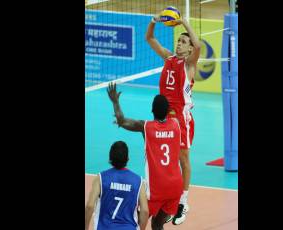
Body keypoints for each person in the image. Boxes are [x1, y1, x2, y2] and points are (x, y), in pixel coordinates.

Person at [145, 14, 201, 225]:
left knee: (183, 160)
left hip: (181, 120)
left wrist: (184, 21)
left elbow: (198, 46)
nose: (179, 44)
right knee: (166, 160)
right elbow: (150, 39)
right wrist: (153, 20)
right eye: (178, 40)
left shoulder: (189, 65)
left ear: (189, 49)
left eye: (184, 42)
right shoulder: (168, 57)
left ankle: (183, 202)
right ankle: (168, 199)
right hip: (163, 119)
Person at [107, 82, 183, 230]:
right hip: (175, 187)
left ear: (152, 110)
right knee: (157, 224)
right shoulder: (176, 124)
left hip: (157, 188)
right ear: (167, 111)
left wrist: (115, 102)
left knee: (134, 220)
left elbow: (122, 120)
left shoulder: (146, 127)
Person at [85, 141, 149, 230]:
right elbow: (145, 211)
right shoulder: (139, 181)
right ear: (128, 158)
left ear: (110, 157)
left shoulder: (100, 178)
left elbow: (89, 206)